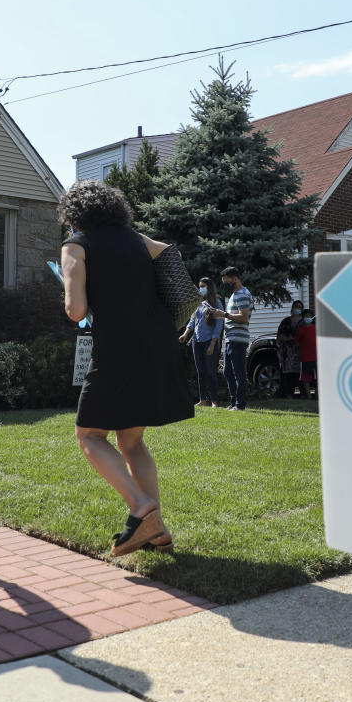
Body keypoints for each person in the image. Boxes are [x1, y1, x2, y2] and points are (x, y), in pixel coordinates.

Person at [59, 180, 192, 556]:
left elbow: (76, 311)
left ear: (74, 215)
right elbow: (169, 253)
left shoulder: (76, 246)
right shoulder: (137, 238)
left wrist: (70, 285)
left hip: (118, 346)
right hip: (161, 341)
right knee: (131, 440)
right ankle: (156, 530)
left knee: (88, 435)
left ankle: (140, 506)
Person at [211, 267, 252, 411]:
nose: (225, 284)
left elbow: (244, 318)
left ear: (235, 278)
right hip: (230, 339)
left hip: (238, 340)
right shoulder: (235, 295)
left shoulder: (242, 294)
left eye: (226, 281)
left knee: (239, 372)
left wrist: (224, 315)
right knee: (227, 371)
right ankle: (234, 402)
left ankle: (240, 405)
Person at [179, 277, 224, 407]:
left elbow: (219, 324)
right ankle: (203, 400)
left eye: (203, 286)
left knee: (210, 371)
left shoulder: (216, 303)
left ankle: (214, 401)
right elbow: (193, 321)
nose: (201, 289)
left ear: (209, 287)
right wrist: (185, 334)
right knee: (201, 372)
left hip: (209, 341)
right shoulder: (199, 303)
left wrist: (212, 343)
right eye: (199, 286)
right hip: (197, 341)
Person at [275, 300, 307, 399]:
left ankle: (302, 394)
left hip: (301, 352)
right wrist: (288, 339)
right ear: (292, 308)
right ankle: (289, 394)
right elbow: (280, 335)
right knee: (288, 374)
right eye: (296, 306)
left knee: (300, 373)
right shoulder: (286, 321)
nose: (298, 308)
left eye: (300, 307)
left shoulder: (304, 322)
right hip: (287, 352)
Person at [295, 308, 318, 397]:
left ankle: (317, 394)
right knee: (306, 378)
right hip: (305, 358)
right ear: (302, 318)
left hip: (316, 357)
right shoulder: (300, 330)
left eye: (309, 316)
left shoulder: (316, 328)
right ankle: (309, 395)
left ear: (312, 317)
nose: (308, 318)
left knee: (317, 377)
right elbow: (297, 342)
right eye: (306, 316)